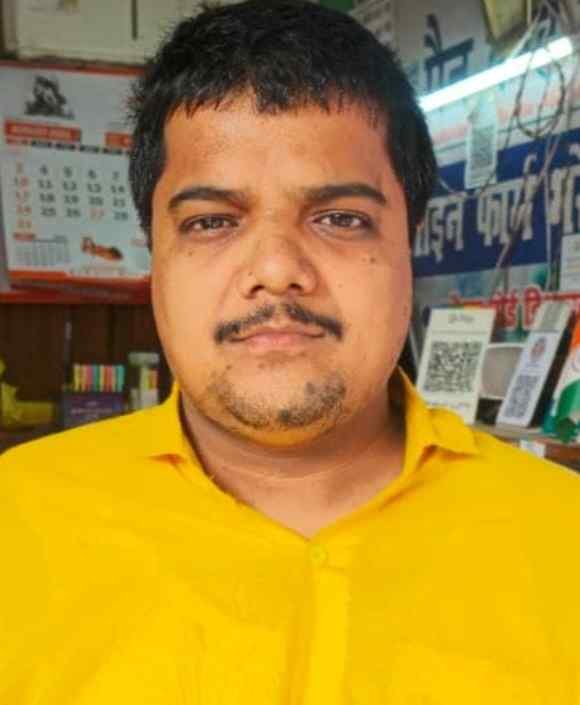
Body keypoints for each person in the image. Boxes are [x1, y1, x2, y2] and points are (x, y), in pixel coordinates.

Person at [1, 1, 579, 702]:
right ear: (154, 256)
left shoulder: (563, 539)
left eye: (340, 218)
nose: (276, 270)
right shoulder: (17, 523)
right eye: (211, 222)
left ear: (410, 244)